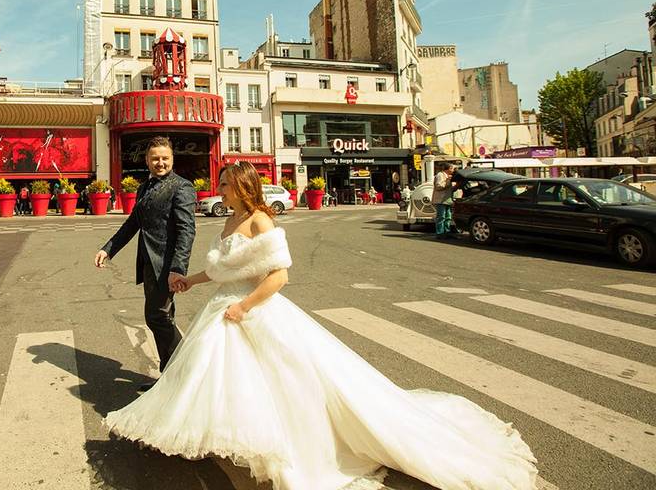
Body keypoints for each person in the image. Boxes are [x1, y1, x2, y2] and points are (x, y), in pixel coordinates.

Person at [104, 161, 538, 489]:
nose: (217, 189)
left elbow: (278, 276)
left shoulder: (260, 219)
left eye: (223, 184)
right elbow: (224, 269)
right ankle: (222, 436)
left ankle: (278, 444)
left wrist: (245, 308)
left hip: (253, 310)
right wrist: (190, 280)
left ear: (241, 187)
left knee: (282, 384)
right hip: (225, 304)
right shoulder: (231, 219)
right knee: (219, 378)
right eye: (219, 184)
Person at [94, 136, 196, 390]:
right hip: (149, 263)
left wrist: (177, 268)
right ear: (147, 161)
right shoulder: (144, 188)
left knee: (157, 316)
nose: (160, 163)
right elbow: (132, 224)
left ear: (172, 159)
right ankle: (173, 375)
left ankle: (181, 373)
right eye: (155, 158)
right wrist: (108, 249)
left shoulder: (181, 187)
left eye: (165, 158)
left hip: (167, 265)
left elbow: (186, 230)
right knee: (162, 316)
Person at [432, 162, 457, 239]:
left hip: (447, 200)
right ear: (448, 169)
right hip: (441, 200)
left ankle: (447, 231)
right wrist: (448, 181)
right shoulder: (440, 175)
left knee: (448, 217)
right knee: (441, 217)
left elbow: (450, 188)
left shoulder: (448, 176)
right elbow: (439, 186)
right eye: (452, 168)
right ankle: (440, 233)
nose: (453, 170)